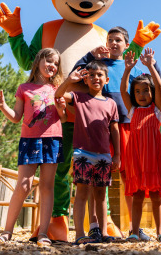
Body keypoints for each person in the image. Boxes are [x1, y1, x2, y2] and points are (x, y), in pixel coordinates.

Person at [71, 23, 161, 241]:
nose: (113, 43)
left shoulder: (135, 68)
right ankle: (94, 226)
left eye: (118, 40)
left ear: (126, 45)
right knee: (95, 178)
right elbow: (77, 70)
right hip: (102, 127)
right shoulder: (99, 65)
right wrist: (90, 54)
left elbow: (154, 85)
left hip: (130, 126)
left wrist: (154, 64)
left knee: (130, 177)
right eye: (110, 40)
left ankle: (134, 227)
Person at [0, 48, 67, 247]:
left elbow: (64, 118)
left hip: (52, 140)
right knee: (24, 185)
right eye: (49, 61)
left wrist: (61, 107)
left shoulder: (58, 88)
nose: (52, 66)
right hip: (29, 140)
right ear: (39, 61)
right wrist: (2, 105)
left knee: (48, 187)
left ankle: (43, 234)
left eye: (56, 63)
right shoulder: (24, 88)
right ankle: (7, 231)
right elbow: (15, 117)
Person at [54, 60, 120, 244]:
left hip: (104, 155)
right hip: (82, 153)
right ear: (86, 80)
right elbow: (58, 94)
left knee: (100, 195)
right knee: (82, 193)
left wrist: (117, 155)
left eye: (99, 75)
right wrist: (69, 80)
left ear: (106, 80)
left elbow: (114, 130)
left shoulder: (111, 104)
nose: (95, 78)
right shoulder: (78, 97)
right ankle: (79, 234)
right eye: (91, 75)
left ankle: (104, 233)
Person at [120, 48, 161, 242]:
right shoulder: (132, 110)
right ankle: (134, 231)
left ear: (152, 92)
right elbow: (122, 89)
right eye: (138, 91)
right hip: (137, 160)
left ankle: (160, 232)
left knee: (157, 195)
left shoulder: (156, 110)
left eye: (146, 90)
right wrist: (127, 69)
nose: (141, 94)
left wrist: (150, 66)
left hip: (153, 159)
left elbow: (159, 84)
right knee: (138, 195)